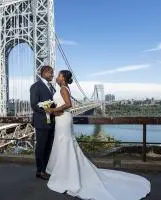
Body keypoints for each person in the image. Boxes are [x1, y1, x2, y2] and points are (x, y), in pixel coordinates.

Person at [44, 70, 151, 200]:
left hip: (64, 120)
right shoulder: (64, 88)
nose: (57, 77)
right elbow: (64, 105)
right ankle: (65, 171)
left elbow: (68, 104)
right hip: (63, 118)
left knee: (64, 143)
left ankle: (66, 174)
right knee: (64, 144)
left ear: (64, 78)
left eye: (59, 75)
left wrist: (52, 110)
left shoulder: (63, 89)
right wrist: (56, 111)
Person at [29, 65, 62, 180]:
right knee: (41, 147)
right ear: (43, 73)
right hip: (42, 122)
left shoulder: (52, 87)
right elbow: (34, 105)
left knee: (49, 147)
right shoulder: (35, 86)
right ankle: (40, 171)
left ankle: (46, 169)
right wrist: (46, 110)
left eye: (53, 73)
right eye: (51, 73)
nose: (53, 75)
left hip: (52, 122)